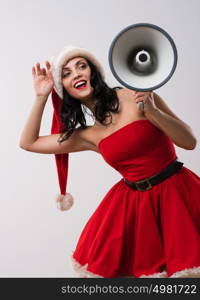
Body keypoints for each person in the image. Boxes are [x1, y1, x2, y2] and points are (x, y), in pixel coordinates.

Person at [19, 45, 200, 278]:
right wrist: (41, 96)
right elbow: (28, 142)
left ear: (94, 72)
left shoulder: (135, 94)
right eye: (66, 73)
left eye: (81, 66)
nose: (76, 74)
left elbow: (189, 141)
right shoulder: (87, 135)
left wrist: (153, 111)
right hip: (136, 210)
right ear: (62, 87)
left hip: (179, 196)